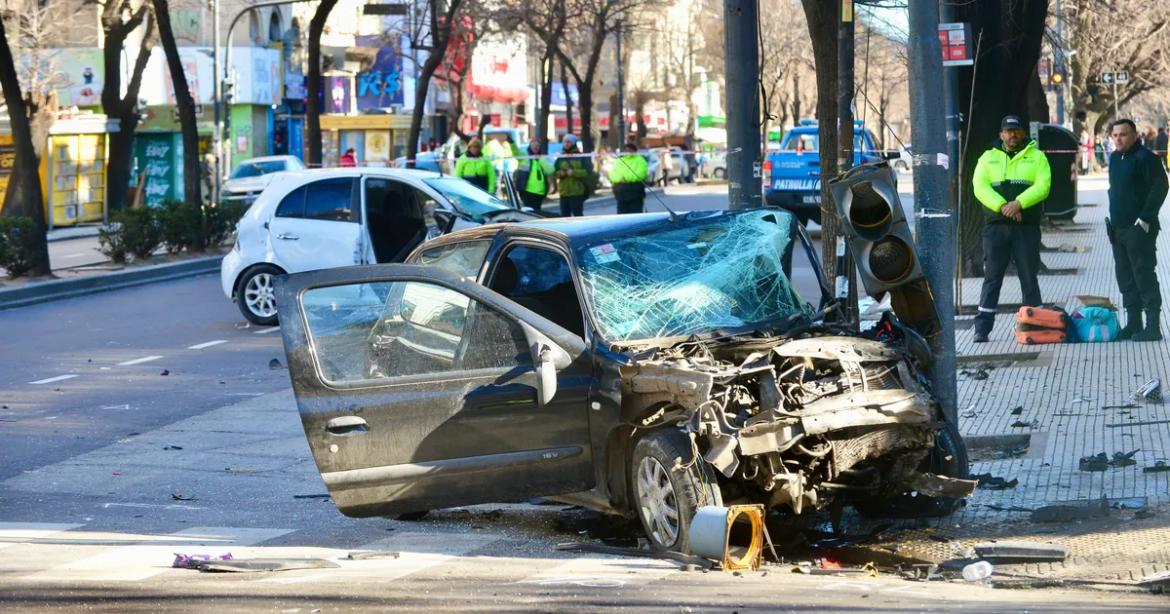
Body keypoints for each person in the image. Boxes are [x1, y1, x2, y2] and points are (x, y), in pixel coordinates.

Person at [971, 115, 1052, 343]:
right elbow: (979, 187)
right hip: (996, 227)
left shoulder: (1037, 158)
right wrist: (1004, 206)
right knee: (992, 278)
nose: (1012, 135)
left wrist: (1019, 204)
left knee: (1029, 277)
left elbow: (1043, 186)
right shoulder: (987, 158)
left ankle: (1035, 325)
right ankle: (982, 328)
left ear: (1023, 133)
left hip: (1026, 226)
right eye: (1008, 131)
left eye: (1016, 131)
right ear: (1001, 134)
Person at [1106, 119, 1170, 341]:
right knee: (1125, 277)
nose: (1119, 139)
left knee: (1143, 275)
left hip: (1139, 229)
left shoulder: (1147, 158)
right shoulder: (1114, 158)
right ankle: (1134, 323)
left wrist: (1145, 218)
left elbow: (1161, 186)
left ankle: (1153, 326)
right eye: (1115, 135)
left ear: (1134, 136)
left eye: (1123, 134)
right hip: (1117, 229)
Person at [514, 139, 554, 212]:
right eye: (533, 145)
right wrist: (512, 143)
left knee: (537, 212)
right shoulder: (525, 155)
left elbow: (551, 170)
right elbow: (516, 153)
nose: (535, 147)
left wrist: (540, 160)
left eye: (537, 145)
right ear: (530, 146)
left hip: (540, 192)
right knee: (528, 211)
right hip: (527, 190)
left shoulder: (542, 158)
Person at [608, 142, 649, 214]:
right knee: (621, 217)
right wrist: (621, 179)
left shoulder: (640, 160)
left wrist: (626, 178)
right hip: (621, 194)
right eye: (626, 150)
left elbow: (640, 174)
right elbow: (612, 174)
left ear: (634, 151)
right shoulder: (619, 161)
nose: (628, 152)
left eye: (630, 150)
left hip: (635, 193)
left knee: (635, 215)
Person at [554, 134, 589, 216]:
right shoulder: (561, 157)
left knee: (578, 215)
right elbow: (555, 172)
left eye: (568, 142)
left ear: (573, 143)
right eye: (564, 142)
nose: (566, 144)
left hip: (577, 191)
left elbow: (587, 172)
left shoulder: (581, 157)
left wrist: (573, 173)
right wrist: (560, 173)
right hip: (563, 192)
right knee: (564, 216)